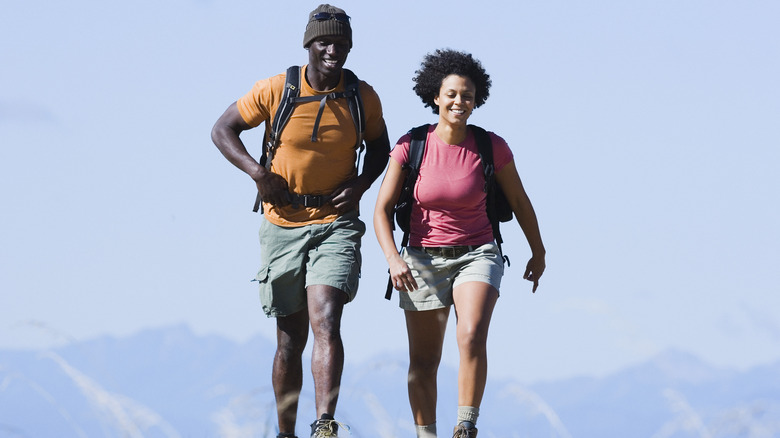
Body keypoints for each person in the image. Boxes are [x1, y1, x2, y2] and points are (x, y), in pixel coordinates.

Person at [211, 5, 390, 438]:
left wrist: (363, 183)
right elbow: (222, 130)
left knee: (326, 317)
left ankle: (323, 425)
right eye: (325, 41)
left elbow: (381, 148)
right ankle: (286, 432)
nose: (334, 50)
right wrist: (258, 174)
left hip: (336, 222)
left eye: (341, 43)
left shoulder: (362, 96)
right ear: (308, 43)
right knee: (290, 339)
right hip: (282, 224)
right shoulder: (277, 89)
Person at [373, 49, 546, 438]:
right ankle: (426, 434)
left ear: (476, 99)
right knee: (424, 360)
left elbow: (519, 201)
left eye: (466, 95)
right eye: (451, 94)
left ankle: (465, 426)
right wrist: (392, 259)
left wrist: (539, 250)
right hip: (421, 259)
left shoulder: (491, 146)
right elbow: (381, 211)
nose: (459, 102)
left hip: (478, 253)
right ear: (436, 96)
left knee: (471, 334)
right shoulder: (411, 145)